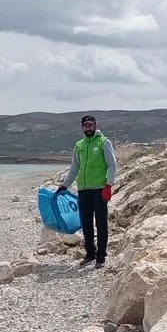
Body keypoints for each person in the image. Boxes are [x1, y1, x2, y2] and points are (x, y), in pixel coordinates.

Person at [57, 114, 117, 268]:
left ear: (95, 125)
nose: (88, 128)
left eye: (90, 125)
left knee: (101, 223)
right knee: (86, 223)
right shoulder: (79, 145)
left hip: (99, 189)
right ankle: (90, 253)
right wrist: (64, 185)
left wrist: (108, 185)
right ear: (82, 127)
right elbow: (75, 168)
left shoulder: (104, 142)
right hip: (83, 190)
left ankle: (101, 257)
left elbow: (112, 165)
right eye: (85, 125)